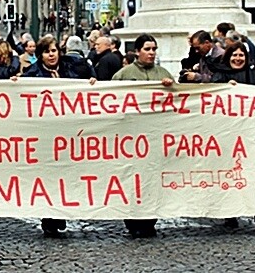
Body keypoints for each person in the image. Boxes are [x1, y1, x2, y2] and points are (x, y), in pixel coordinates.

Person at [19, 35, 96, 237]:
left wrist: (93, 84)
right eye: (46, 52)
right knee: (50, 177)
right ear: (40, 55)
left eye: (54, 51)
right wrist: (14, 86)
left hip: (71, 134)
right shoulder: (32, 75)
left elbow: (90, 84)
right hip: (46, 135)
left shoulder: (75, 68)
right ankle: (50, 217)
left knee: (67, 175)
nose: (51, 55)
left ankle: (62, 211)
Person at [112, 34, 175, 239]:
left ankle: (149, 220)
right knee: (133, 180)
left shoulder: (163, 73)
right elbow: (109, 100)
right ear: (138, 51)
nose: (151, 53)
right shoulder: (123, 75)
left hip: (156, 138)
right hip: (131, 139)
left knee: (153, 181)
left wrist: (170, 88)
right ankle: (133, 220)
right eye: (147, 49)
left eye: (154, 49)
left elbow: (177, 101)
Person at [210, 43, 255, 230]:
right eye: (234, 55)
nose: (238, 58)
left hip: (252, 136)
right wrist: (223, 88)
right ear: (228, 57)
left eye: (241, 55)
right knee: (230, 175)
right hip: (229, 136)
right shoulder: (220, 75)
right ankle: (230, 215)